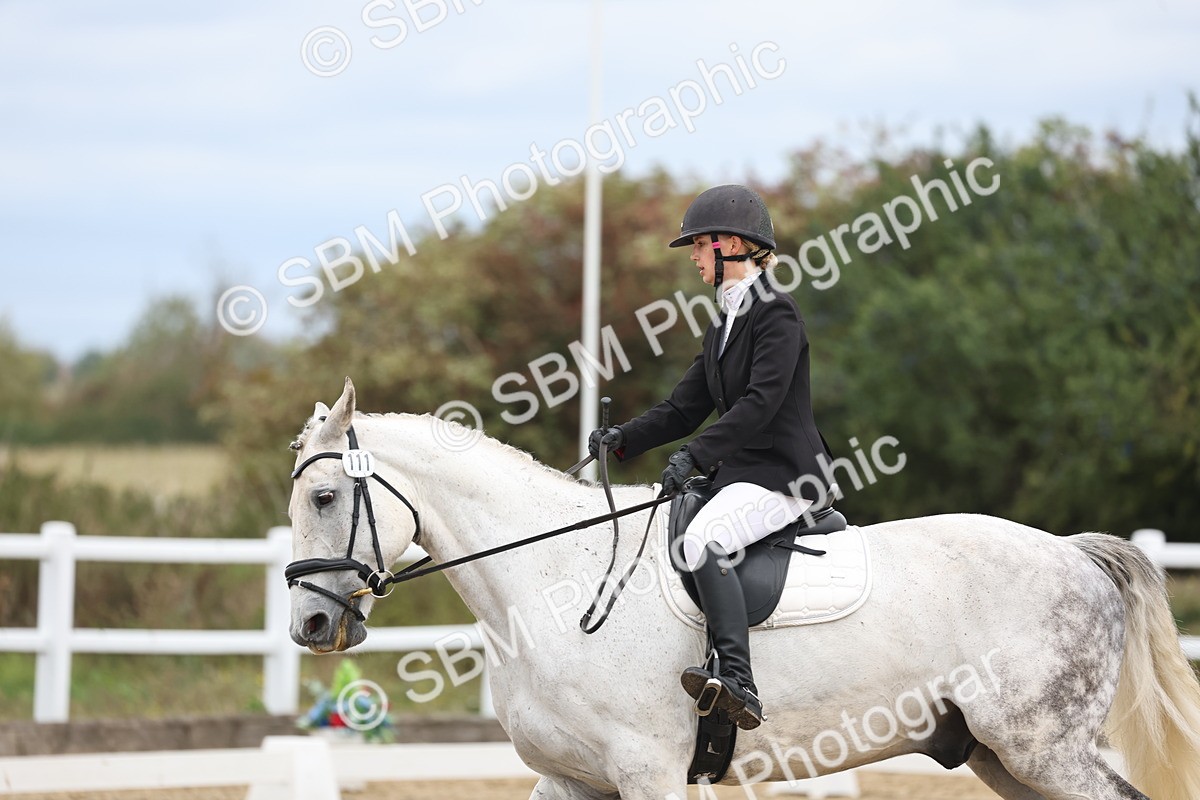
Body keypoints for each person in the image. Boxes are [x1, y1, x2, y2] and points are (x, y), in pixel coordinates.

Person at [588, 184, 835, 731]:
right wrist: (622, 439)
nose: (694, 258)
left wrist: (695, 455)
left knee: (704, 539)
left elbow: (761, 404)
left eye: (699, 246)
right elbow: (684, 406)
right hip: (744, 474)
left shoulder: (777, 314)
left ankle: (740, 681)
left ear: (730, 244)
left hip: (788, 476)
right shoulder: (723, 322)